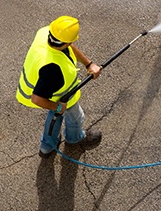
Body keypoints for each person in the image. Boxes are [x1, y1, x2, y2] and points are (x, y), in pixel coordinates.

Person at [16, 16, 103, 157]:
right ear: (68, 42)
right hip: (58, 97)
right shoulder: (53, 69)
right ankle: (75, 138)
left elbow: (69, 47)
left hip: (48, 91)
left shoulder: (45, 33)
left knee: (55, 116)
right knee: (75, 116)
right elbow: (37, 99)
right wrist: (57, 106)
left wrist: (89, 64)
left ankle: (47, 147)